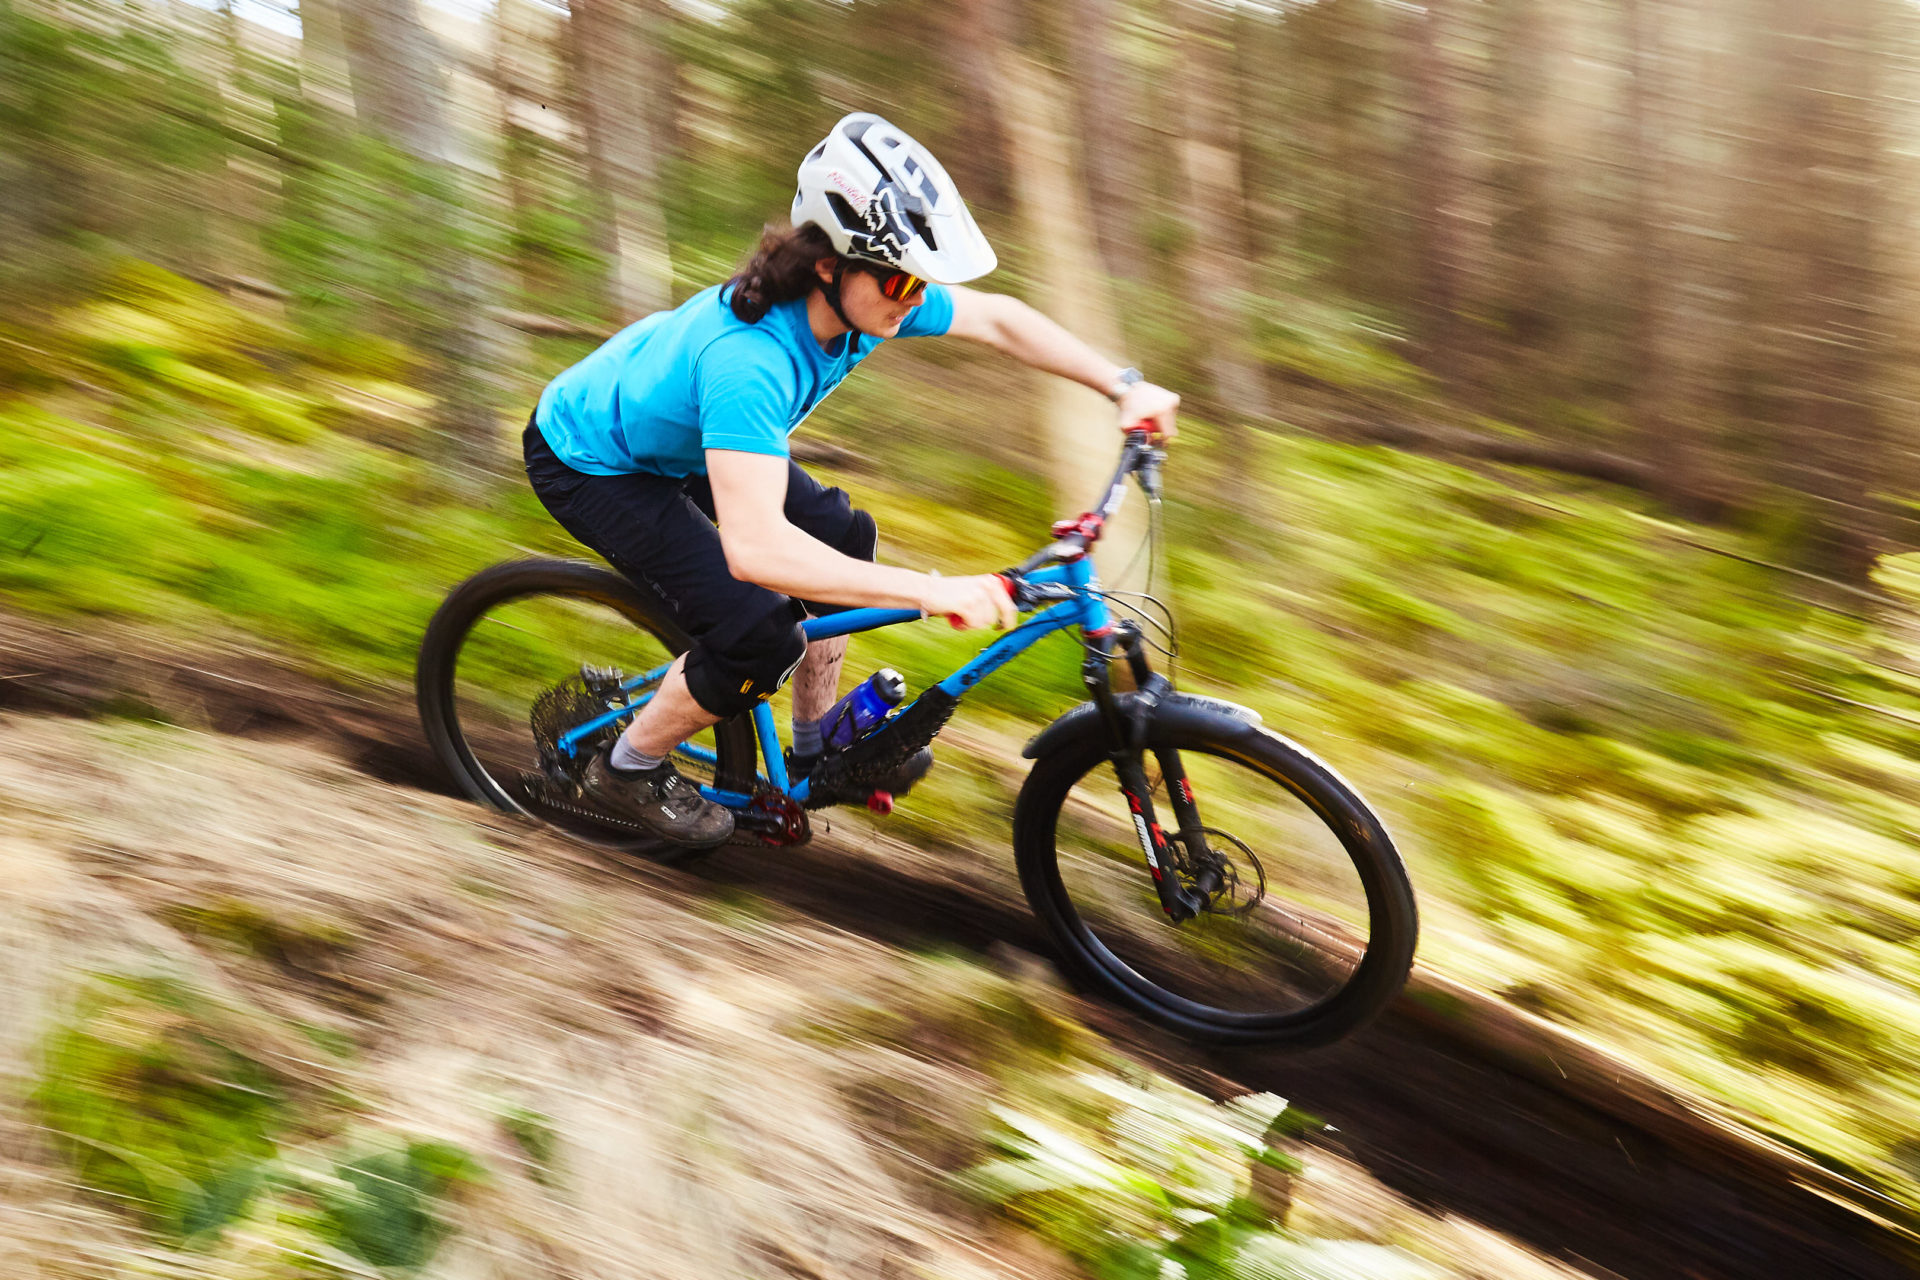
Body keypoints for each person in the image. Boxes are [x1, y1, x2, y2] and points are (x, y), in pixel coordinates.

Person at [523, 111, 1179, 848]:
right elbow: (757, 552)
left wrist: (1123, 386)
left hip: (683, 440)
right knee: (759, 636)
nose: (914, 297)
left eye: (921, 280)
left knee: (844, 535)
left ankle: (813, 749)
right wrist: (930, 589)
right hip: (592, 460)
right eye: (900, 279)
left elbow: (999, 320)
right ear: (828, 265)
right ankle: (626, 767)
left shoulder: (869, 301)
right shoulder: (750, 361)